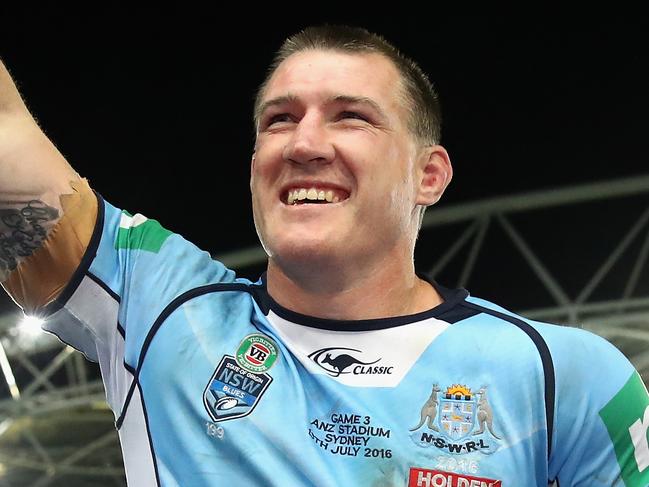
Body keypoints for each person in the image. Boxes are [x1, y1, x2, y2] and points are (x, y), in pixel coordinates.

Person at [0, 24, 647, 487]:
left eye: (349, 117)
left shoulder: (562, 375)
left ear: (429, 175)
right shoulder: (164, 307)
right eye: (278, 119)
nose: (303, 142)